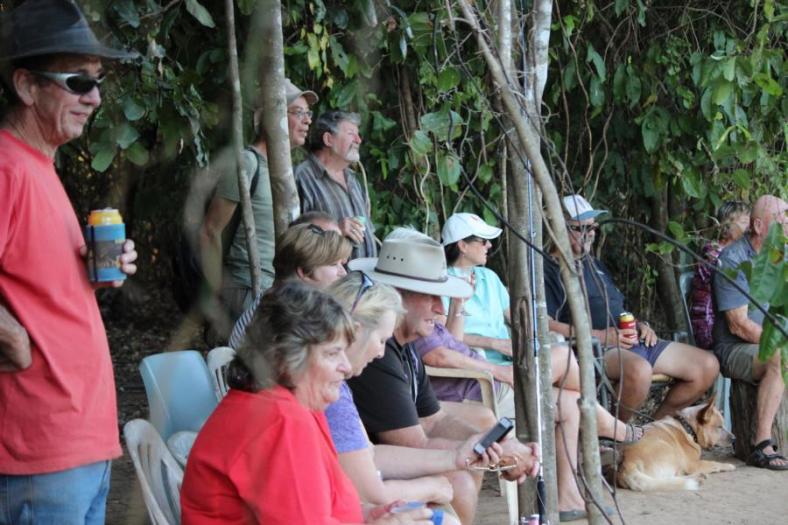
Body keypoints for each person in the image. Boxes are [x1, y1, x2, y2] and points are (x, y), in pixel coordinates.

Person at [0, 0, 138, 522]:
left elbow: (34, 285)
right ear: (27, 86)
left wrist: (93, 274)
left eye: (98, 81)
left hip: (81, 443)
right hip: (39, 449)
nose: (95, 97)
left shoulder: (40, 166)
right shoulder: (7, 167)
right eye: (78, 81)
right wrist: (11, 336)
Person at [181, 282, 436, 524]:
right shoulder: (280, 420)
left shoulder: (291, 405)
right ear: (287, 359)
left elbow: (319, 507)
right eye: (332, 353)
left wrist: (370, 515)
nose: (345, 367)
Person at [348, 229, 541, 524]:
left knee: (478, 429)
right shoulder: (378, 353)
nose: (441, 308)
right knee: (459, 481)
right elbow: (413, 444)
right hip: (364, 473)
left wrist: (500, 447)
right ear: (398, 296)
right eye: (431, 297)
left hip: (378, 462)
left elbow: (433, 418)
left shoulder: (405, 345)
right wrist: (501, 455)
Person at [327, 273, 502, 518]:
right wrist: (430, 487)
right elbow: (371, 492)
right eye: (380, 340)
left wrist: (457, 457)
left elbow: (371, 454)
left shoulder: (339, 387)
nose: (380, 352)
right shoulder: (330, 393)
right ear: (355, 332)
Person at [544, 194, 719, 422]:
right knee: (639, 371)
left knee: (707, 365)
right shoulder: (547, 268)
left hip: (629, 339)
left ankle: (652, 431)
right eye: (580, 228)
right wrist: (599, 336)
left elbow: (617, 307)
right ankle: (615, 435)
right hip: (595, 349)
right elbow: (545, 323)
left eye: (593, 228)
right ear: (558, 228)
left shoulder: (594, 264)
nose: (589, 234)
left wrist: (639, 324)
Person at [200, 78, 318, 323]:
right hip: (247, 288)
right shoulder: (247, 163)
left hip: (277, 290)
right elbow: (210, 231)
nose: (308, 120)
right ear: (271, 117)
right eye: (298, 112)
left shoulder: (283, 172)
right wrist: (220, 292)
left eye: (308, 113)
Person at [713, 195, 787, 470]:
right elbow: (738, 325)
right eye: (782, 220)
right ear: (758, 226)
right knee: (780, 357)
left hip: (770, 341)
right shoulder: (733, 260)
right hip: (734, 348)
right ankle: (761, 444)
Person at [227, 220, 351, 348]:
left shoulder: (278, 299)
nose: (343, 273)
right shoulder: (287, 314)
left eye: (341, 265)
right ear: (304, 271)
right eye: (333, 264)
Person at [295, 110, 376, 259]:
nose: (358, 140)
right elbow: (292, 238)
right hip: (329, 282)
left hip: (363, 280)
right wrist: (335, 230)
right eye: (351, 133)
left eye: (358, 135)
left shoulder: (353, 179)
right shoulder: (302, 178)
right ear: (328, 139)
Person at [689, 200, 750, 349]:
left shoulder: (739, 253)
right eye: (744, 222)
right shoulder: (712, 253)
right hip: (709, 323)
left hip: (726, 318)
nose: (749, 228)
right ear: (727, 224)